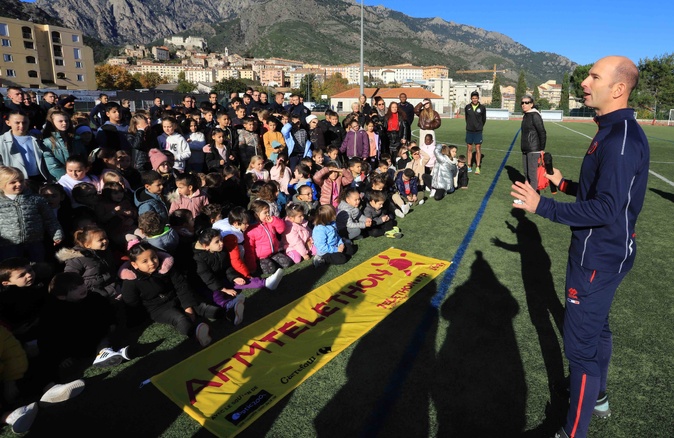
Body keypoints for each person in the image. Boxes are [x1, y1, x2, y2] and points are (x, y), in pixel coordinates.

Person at [510, 56, 648, 438]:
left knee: (581, 353)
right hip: (609, 253)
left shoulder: (619, 139)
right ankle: (598, 397)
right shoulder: (610, 131)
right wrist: (564, 184)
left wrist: (543, 206)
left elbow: (606, 208)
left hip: (597, 259)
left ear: (618, 89)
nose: (585, 82)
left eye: (594, 76)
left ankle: (572, 432)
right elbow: (602, 193)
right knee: (598, 330)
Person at [120, 242, 222, 347]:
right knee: (179, 318)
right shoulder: (130, 282)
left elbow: (181, 286)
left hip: (175, 297)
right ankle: (196, 334)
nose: (152, 263)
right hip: (157, 308)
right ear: (134, 264)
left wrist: (188, 306)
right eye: (145, 261)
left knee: (200, 307)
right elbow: (131, 302)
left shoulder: (166, 267)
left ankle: (226, 313)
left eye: (154, 257)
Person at [0, 166, 62, 261]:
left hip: (35, 242)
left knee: (38, 266)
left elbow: (49, 219)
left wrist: (56, 234)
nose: (19, 184)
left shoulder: (35, 199)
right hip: (8, 245)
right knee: (13, 268)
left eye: (21, 181)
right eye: (13, 182)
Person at [519, 94, 548, 192]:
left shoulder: (535, 115)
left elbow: (542, 132)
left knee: (532, 175)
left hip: (533, 149)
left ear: (531, 104)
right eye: (522, 103)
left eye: (526, 103)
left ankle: (533, 199)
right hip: (526, 149)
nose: (524, 104)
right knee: (526, 174)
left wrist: (541, 149)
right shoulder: (526, 115)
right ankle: (528, 198)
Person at [464, 91, 487, 174]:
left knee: (478, 148)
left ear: (478, 98)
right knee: (469, 148)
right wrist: (470, 126)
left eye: (476, 98)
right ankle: (469, 165)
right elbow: (466, 118)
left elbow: (484, 119)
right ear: (471, 98)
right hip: (469, 131)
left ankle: (477, 167)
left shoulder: (482, 108)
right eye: (473, 98)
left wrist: (479, 126)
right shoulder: (467, 107)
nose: (474, 99)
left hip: (478, 131)